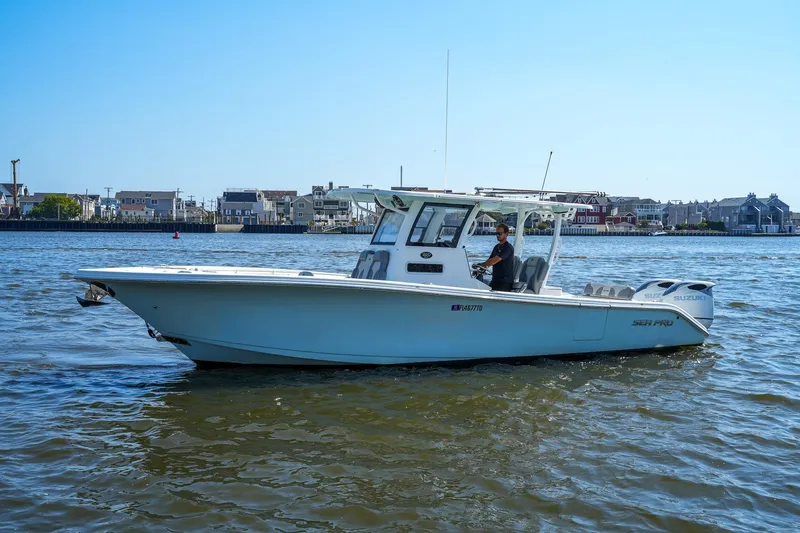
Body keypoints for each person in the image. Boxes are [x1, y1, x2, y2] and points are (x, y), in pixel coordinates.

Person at [475, 223, 515, 291]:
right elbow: (489, 261)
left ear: (506, 234)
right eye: (496, 233)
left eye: (500, 233)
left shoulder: (508, 248)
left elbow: (494, 261)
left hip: (505, 282)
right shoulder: (496, 247)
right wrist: (479, 270)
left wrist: (482, 264)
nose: (497, 235)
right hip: (495, 280)